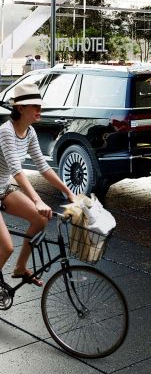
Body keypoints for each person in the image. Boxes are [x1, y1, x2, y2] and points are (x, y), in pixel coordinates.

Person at [0, 80, 76, 298]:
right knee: (6, 247)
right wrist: (37, 200)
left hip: (3, 189)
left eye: (40, 105)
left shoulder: (30, 132)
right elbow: (17, 171)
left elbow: (43, 167)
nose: (39, 109)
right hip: (3, 186)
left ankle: (20, 268)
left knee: (40, 219)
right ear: (20, 108)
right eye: (35, 106)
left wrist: (68, 191)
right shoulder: (6, 132)